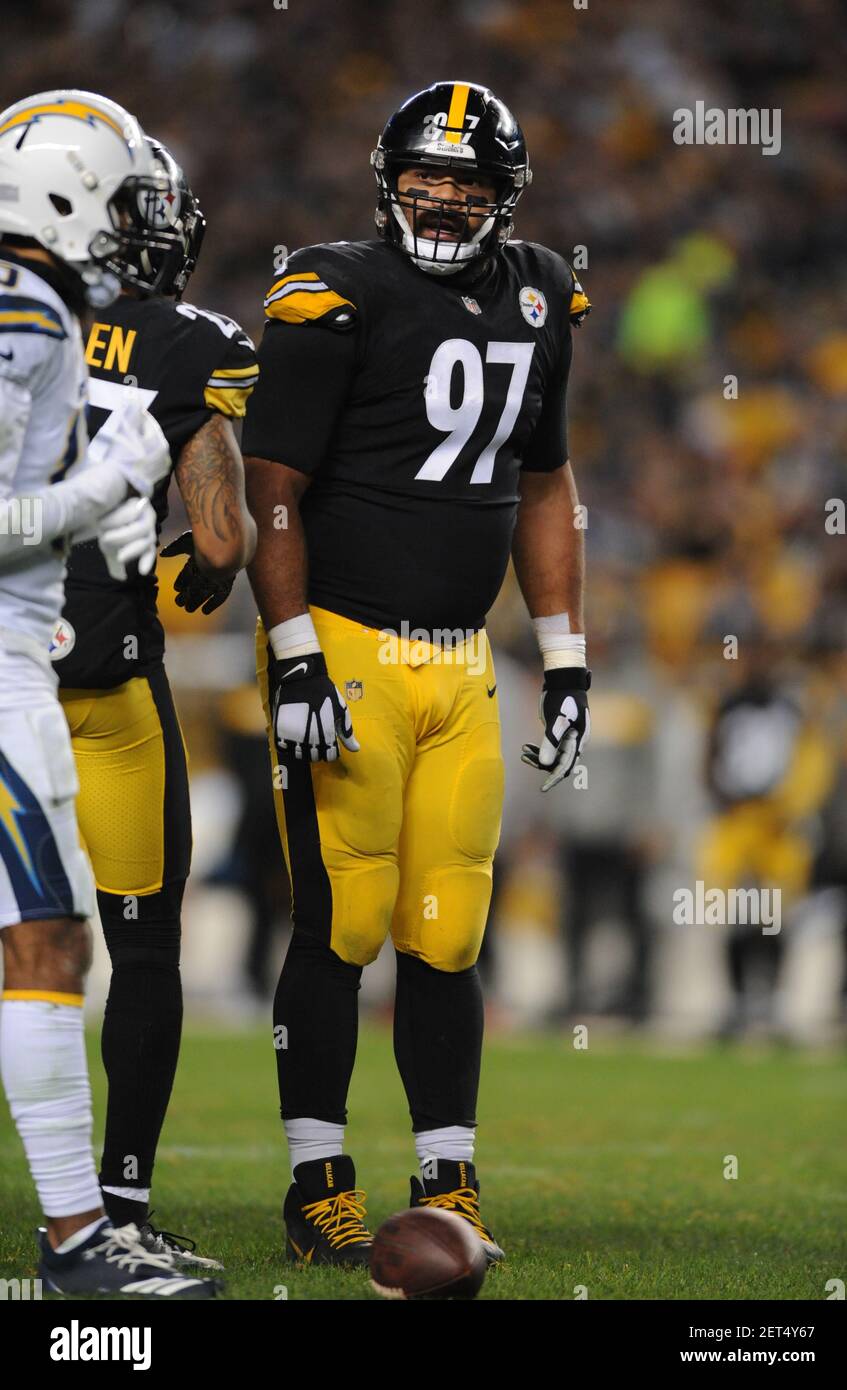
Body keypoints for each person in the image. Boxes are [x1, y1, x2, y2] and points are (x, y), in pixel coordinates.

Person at [243, 81, 591, 1265]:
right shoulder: (333, 289)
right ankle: (316, 1183)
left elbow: (543, 485)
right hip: (343, 642)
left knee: (447, 929)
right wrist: (293, 658)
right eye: (427, 174)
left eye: (470, 182)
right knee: (340, 921)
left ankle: (447, 1174)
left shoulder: (541, 291)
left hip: (462, 659)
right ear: (385, 175)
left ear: (506, 197)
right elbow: (273, 490)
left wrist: (565, 654)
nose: (444, 197)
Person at [0, 89, 216, 1297]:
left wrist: (108, 510)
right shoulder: (20, 309)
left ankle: (83, 1230)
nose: (142, 227)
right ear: (71, 194)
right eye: (127, 198)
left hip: (23, 652)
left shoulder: (43, 311)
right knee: (40, 939)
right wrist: (101, 493)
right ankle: (82, 1243)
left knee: (42, 939)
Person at [54, 135, 258, 1269]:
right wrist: (207, 554)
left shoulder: (19, 326)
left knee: (31, 949)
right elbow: (224, 536)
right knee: (142, 953)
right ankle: (118, 1207)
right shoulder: (194, 347)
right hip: (116, 690)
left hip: (10, 672)